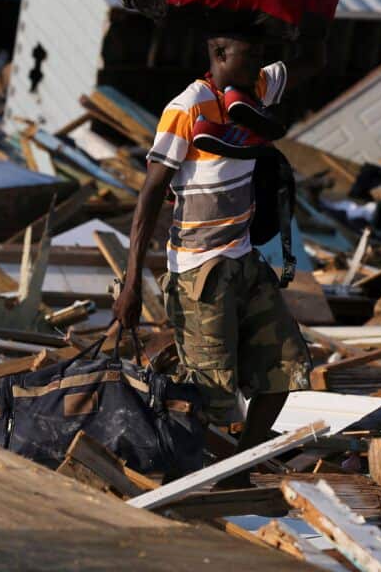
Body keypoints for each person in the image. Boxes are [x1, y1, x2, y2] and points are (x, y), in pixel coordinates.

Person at [113, 32, 325, 482]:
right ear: (221, 54)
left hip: (244, 258)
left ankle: (235, 469)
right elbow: (149, 195)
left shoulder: (257, 90)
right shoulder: (186, 107)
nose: (259, 68)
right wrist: (133, 283)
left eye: (262, 60)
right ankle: (180, 482)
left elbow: (309, 58)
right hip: (198, 270)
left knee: (286, 368)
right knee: (210, 393)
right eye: (251, 58)